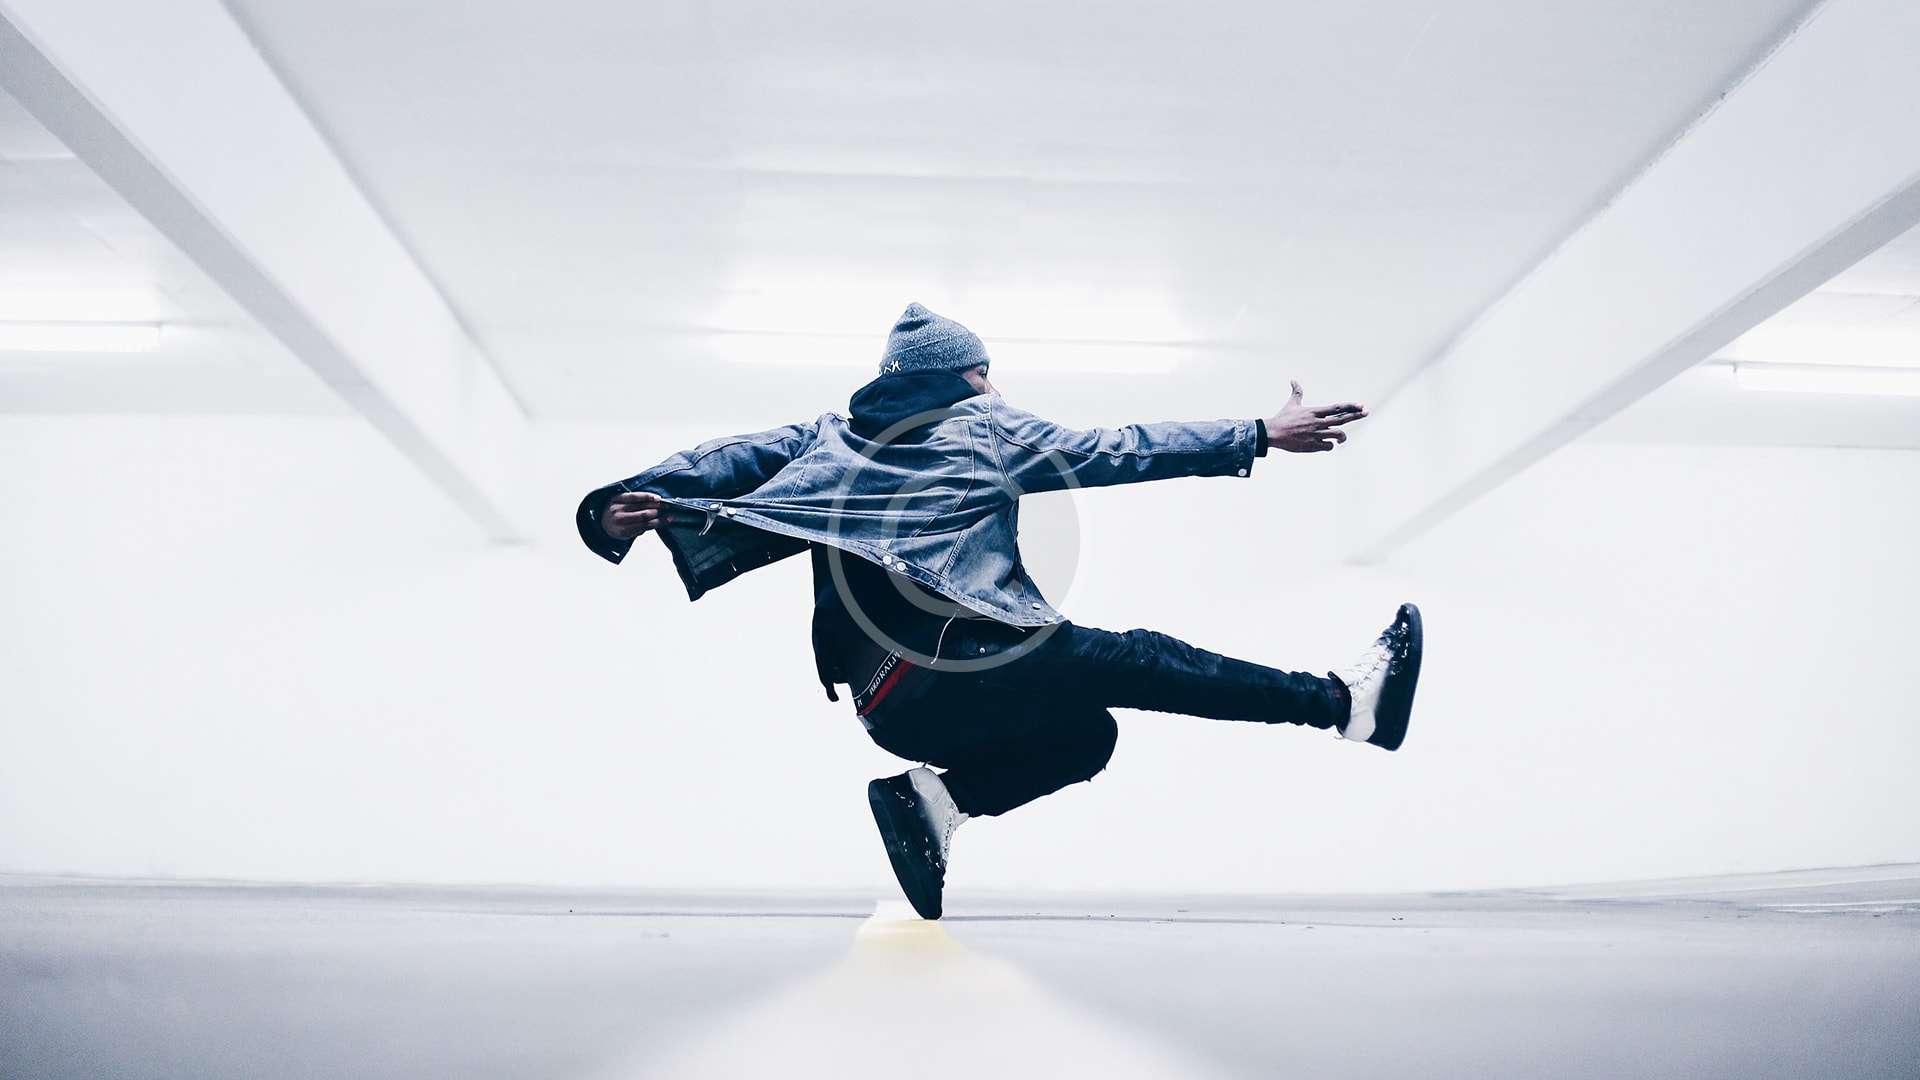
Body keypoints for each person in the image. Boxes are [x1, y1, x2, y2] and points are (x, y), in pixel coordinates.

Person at [576, 303, 1422, 918]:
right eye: (986, 373)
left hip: (889, 708)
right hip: (954, 662)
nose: (993, 384)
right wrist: (1258, 433)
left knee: (1086, 735)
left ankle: (931, 804)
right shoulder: (984, 426)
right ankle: (1342, 703)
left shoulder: (825, 437)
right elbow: (1118, 449)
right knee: (1133, 658)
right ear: (966, 376)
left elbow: (724, 458)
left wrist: (617, 506)